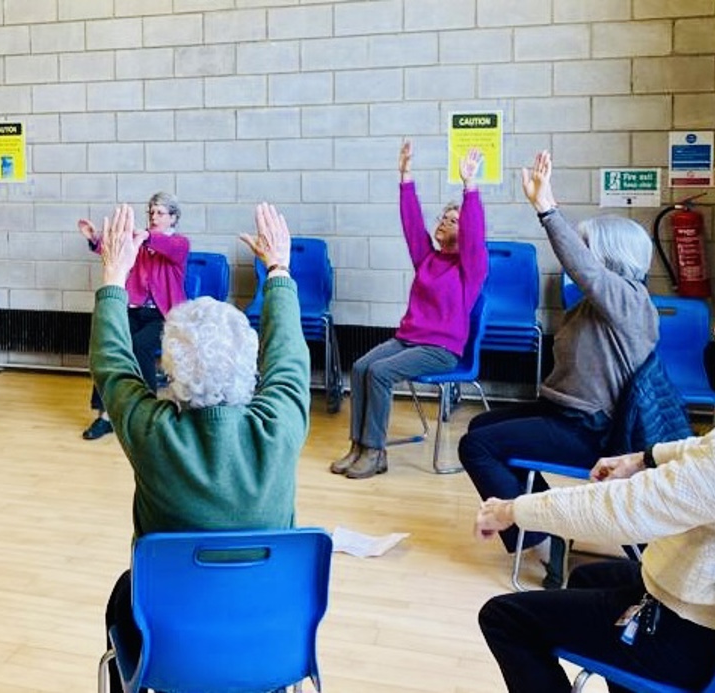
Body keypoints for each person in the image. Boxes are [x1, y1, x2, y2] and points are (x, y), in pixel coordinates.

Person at [92, 203, 310, 692]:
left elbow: (111, 363)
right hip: (272, 642)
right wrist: (278, 271)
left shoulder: (153, 432)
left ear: (169, 373)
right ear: (252, 367)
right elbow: (290, 353)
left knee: (122, 596)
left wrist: (113, 276)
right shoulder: (280, 424)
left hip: (170, 652)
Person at [459, 150, 659, 588]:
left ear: (607, 256)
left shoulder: (628, 300)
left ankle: (546, 540)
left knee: (476, 449)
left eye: (587, 248)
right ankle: (547, 521)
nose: (578, 259)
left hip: (591, 431)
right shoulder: (599, 303)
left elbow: (582, 268)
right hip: (562, 412)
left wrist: (547, 210)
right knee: (480, 429)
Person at [473, 432, 715, 692]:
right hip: (685, 599)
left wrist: (511, 512)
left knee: (504, 619)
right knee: (584, 579)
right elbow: (705, 448)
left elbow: (624, 509)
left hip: (695, 636)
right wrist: (641, 458)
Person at [331, 142, 488, 479]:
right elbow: (411, 224)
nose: (445, 222)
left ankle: (375, 451)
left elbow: (475, 235)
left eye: (453, 220)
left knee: (380, 373)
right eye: (444, 218)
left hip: (441, 349)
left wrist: (469, 188)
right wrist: (405, 176)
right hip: (409, 340)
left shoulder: (471, 268)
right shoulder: (428, 258)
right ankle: (358, 445)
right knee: (360, 367)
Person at [80, 191, 190, 440]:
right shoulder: (140, 242)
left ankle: (147, 410)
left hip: (164, 315)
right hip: (133, 309)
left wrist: (144, 236)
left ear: (173, 218)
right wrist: (95, 239)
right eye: (151, 212)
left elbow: (164, 245)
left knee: (140, 346)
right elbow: (115, 248)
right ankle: (105, 416)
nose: (154, 216)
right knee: (108, 347)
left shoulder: (179, 243)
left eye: (160, 213)